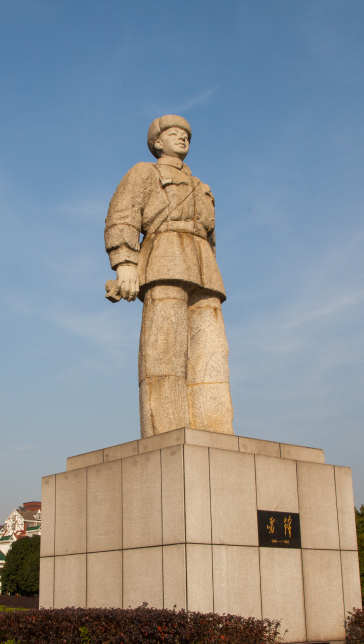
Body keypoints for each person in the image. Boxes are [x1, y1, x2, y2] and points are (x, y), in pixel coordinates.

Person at [104, 115, 234, 437]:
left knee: (212, 354)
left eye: (186, 134)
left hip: (204, 267)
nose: (182, 138)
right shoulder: (144, 173)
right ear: (157, 142)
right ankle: (167, 431)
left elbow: (212, 237)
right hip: (164, 260)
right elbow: (123, 215)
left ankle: (215, 430)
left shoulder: (202, 187)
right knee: (165, 355)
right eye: (173, 133)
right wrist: (125, 262)